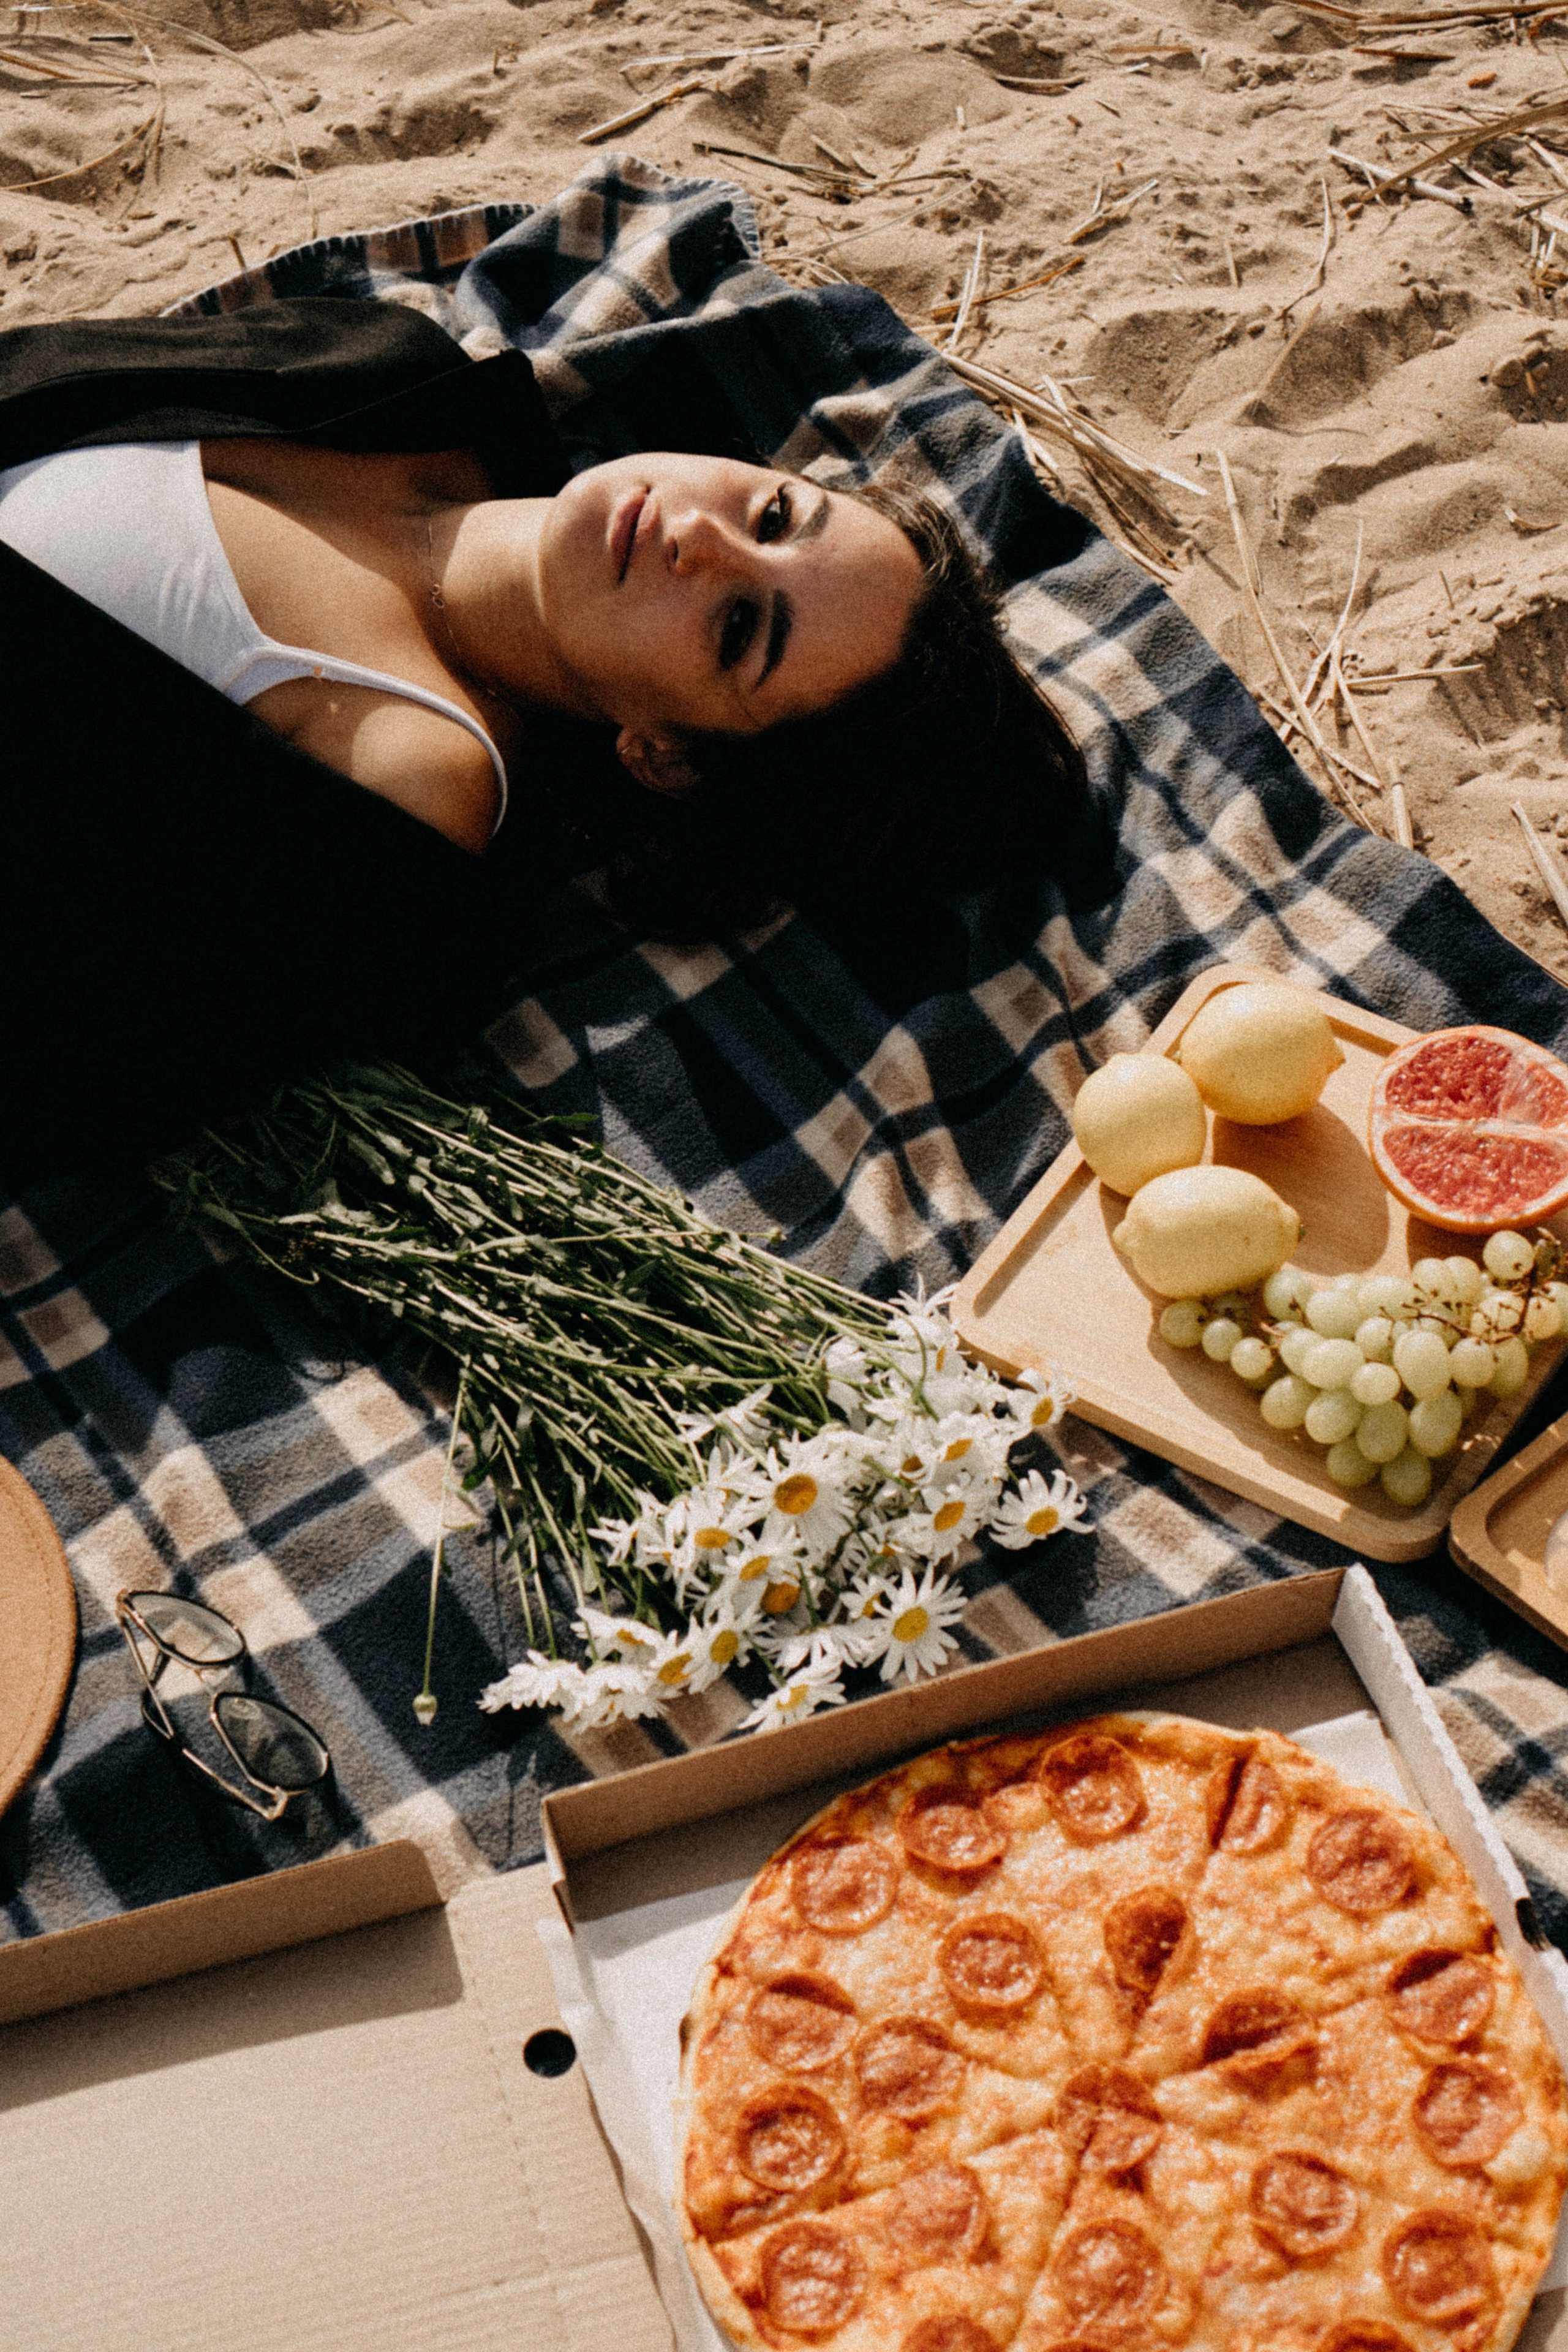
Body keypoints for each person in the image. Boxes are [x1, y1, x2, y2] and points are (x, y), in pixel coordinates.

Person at [0, 297, 1085, 1181]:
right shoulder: (402, 377)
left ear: (664, 755)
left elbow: (76, 1029)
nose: (698, 537)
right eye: (773, 518)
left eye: (739, 628)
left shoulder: (413, 778)